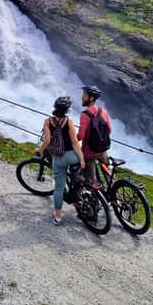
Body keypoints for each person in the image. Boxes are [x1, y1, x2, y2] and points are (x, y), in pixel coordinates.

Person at [36, 96, 85, 225]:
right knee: (77, 177)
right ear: (67, 110)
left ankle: (57, 217)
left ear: (55, 108)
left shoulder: (48, 121)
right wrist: (81, 159)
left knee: (59, 188)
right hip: (71, 156)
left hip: (58, 158)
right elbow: (75, 142)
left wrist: (39, 150)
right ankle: (76, 194)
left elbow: (46, 141)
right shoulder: (69, 121)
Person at [78, 85, 112, 185]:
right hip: (102, 150)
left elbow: (80, 136)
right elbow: (109, 130)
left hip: (89, 153)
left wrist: (70, 140)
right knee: (108, 176)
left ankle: (96, 198)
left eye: (84, 95)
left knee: (92, 182)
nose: (82, 97)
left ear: (91, 98)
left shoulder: (85, 114)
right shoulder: (103, 111)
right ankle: (115, 197)